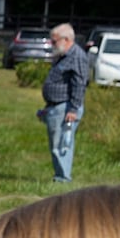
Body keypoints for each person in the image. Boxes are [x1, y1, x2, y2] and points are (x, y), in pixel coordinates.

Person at [40, 23, 87, 183]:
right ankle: (60, 175)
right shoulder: (64, 55)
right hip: (56, 106)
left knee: (62, 145)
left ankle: (62, 178)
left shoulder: (77, 56)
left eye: (54, 41)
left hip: (66, 108)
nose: (52, 44)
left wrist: (73, 110)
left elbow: (79, 84)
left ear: (66, 39)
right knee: (57, 144)